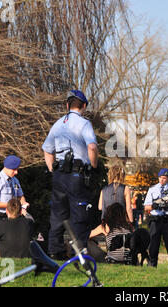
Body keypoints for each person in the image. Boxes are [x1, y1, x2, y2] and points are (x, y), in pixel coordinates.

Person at [42, 90, 99, 260]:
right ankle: (78, 252)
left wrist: (52, 169)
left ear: (67, 105)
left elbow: (47, 149)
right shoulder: (84, 124)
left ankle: (55, 250)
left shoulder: (58, 124)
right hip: (77, 173)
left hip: (59, 174)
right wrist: (94, 165)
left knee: (57, 214)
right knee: (79, 213)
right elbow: (92, 147)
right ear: (84, 106)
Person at [0, 154, 30, 257]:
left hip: (13, 217)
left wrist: (23, 205)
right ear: (7, 167)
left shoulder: (15, 180)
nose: (16, 172)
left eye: (17, 169)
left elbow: (20, 196)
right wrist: (10, 206)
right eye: (14, 170)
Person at [144, 168, 168, 269]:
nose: (162, 180)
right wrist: (154, 206)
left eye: (164, 178)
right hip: (155, 219)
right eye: (160, 178)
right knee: (153, 244)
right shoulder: (152, 189)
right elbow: (146, 207)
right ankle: (152, 264)